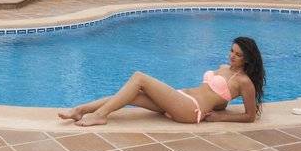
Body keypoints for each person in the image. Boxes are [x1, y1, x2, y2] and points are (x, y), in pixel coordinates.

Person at [59, 36, 265, 126]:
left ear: (248, 58)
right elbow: (219, 98)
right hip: (182, 99)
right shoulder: (223, 67)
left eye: (238, 55)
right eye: (231, 51)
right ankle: (80, 110)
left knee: (139, 78)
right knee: (131, 95)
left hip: (190, 110)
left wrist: (220, 117)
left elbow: (249, 116)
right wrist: (220, 105)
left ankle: (99, 116)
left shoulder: (244, 82)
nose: (232, 56)